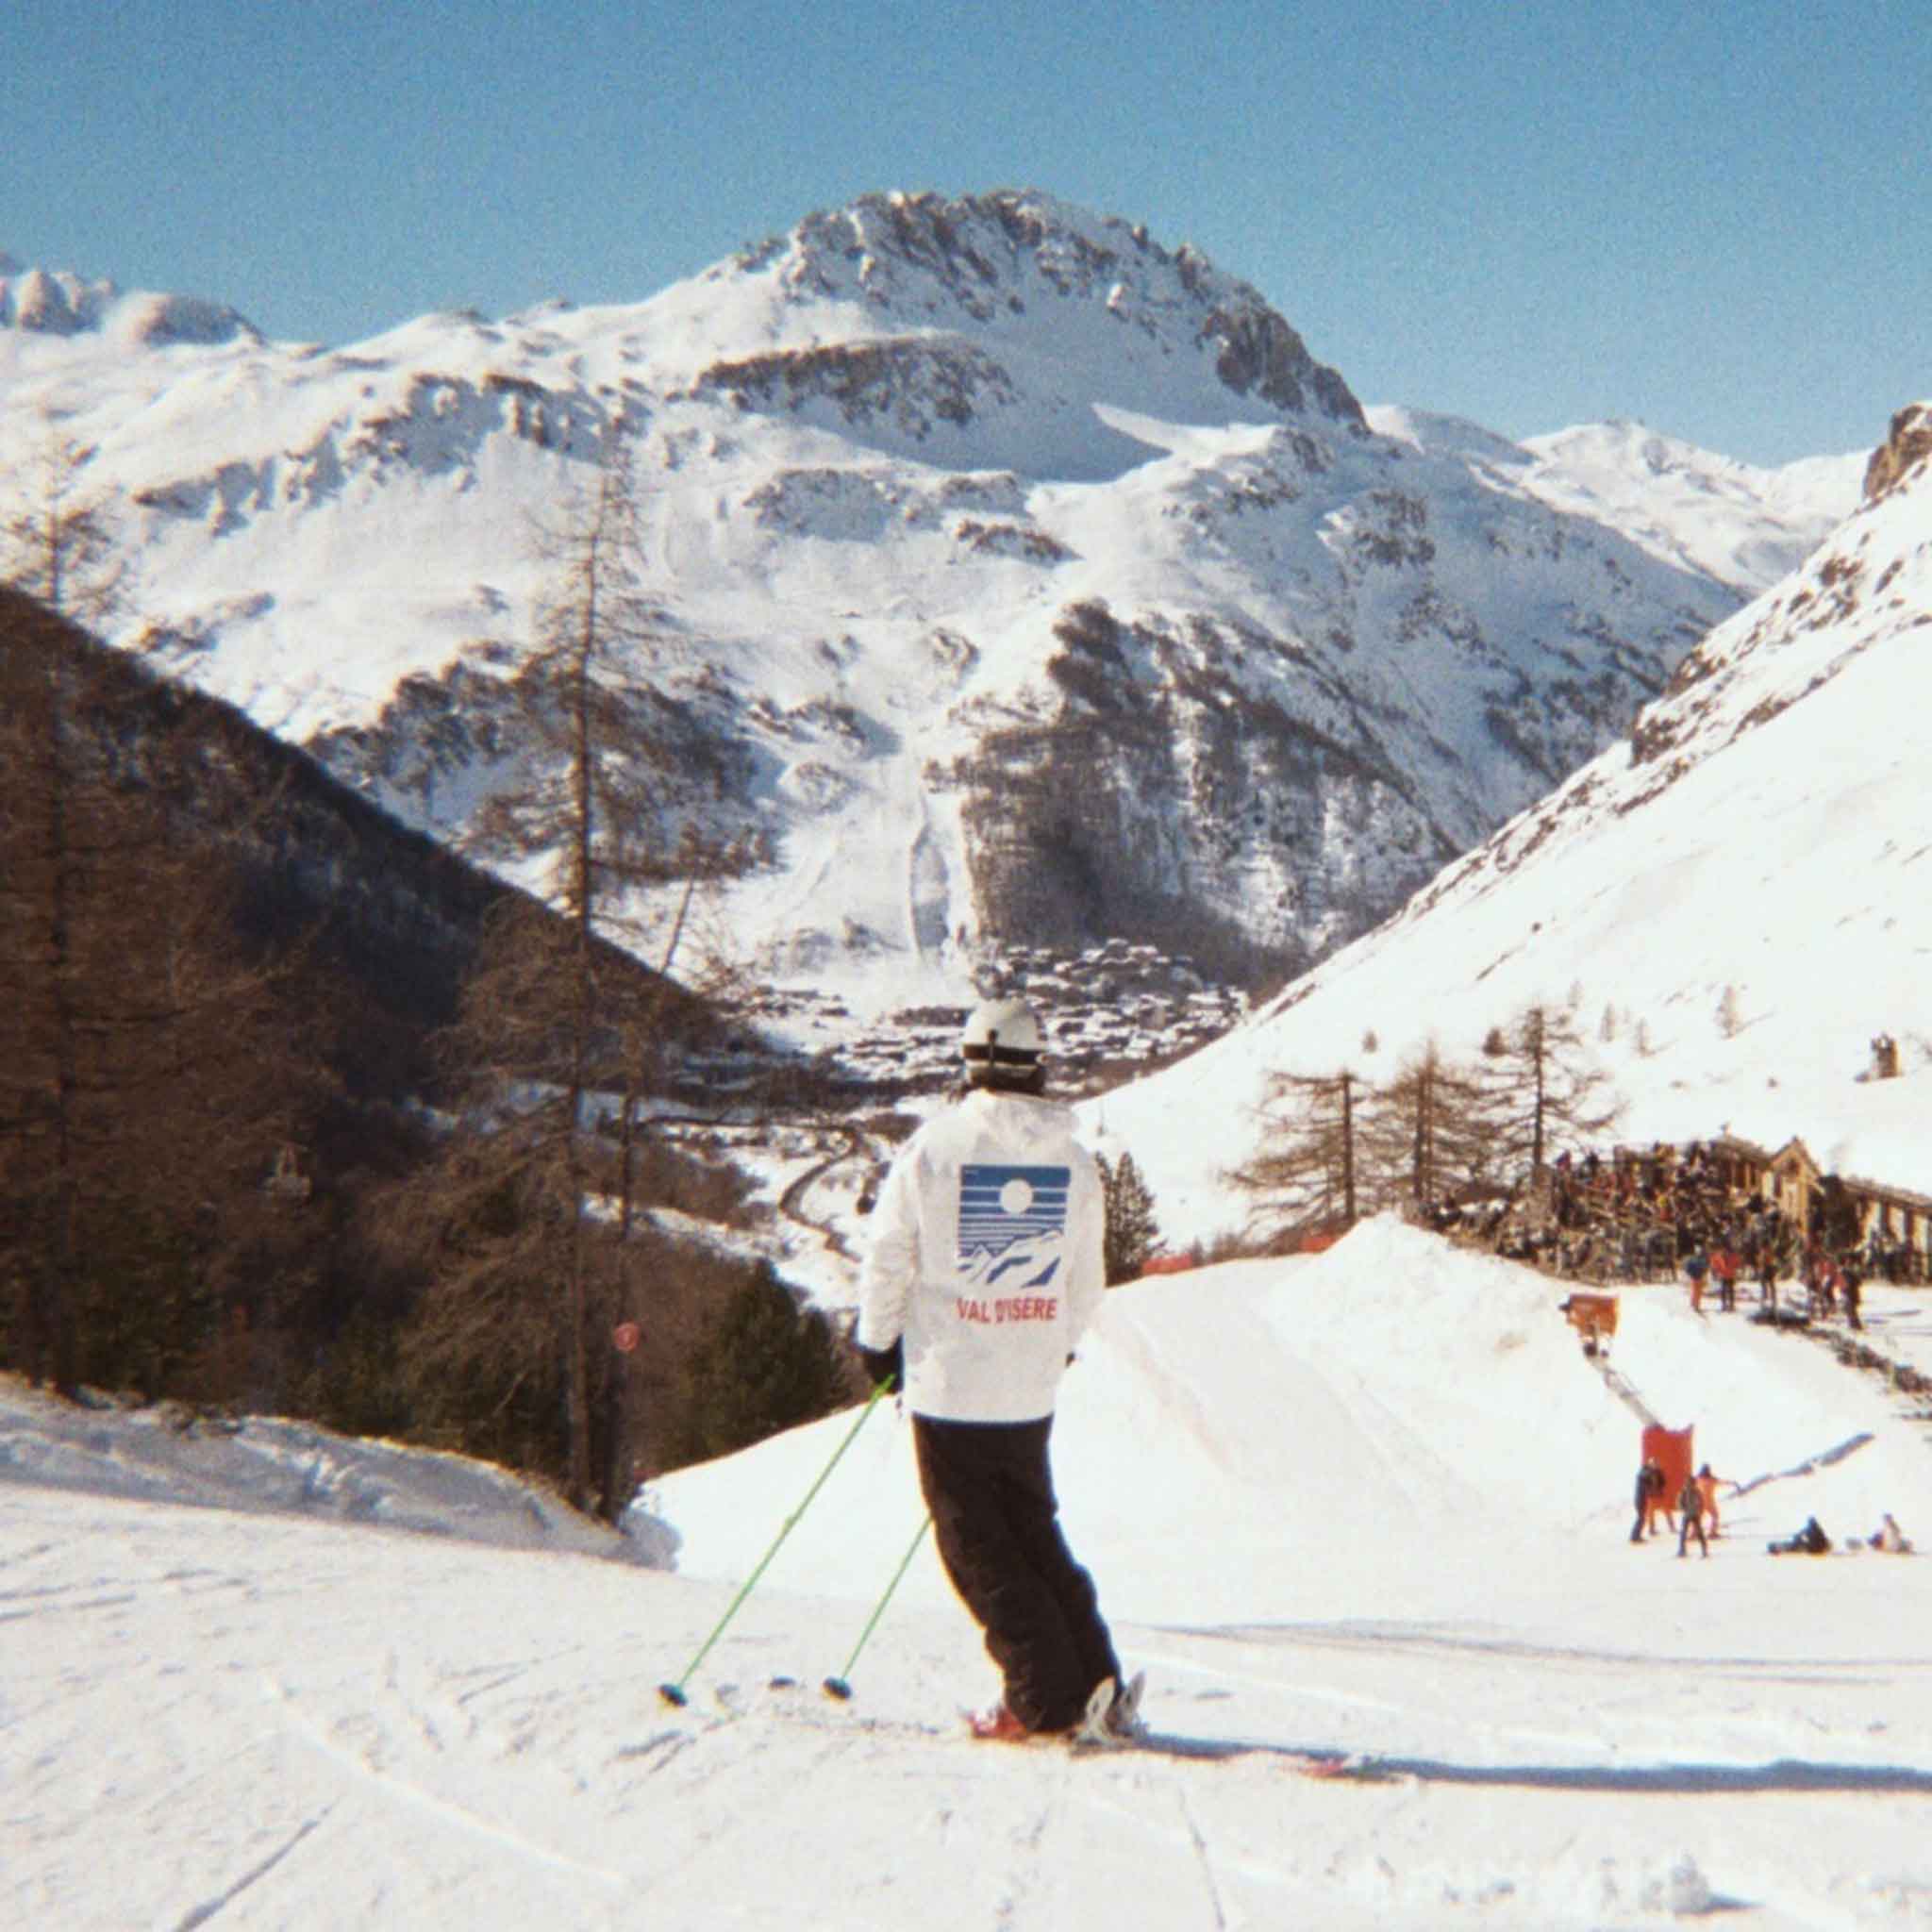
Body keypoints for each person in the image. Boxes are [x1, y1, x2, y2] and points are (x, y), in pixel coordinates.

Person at [855, 997, 1130, 1742]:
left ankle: (1044, 1703)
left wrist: (878, 1345)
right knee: (1033, 1535)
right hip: (1029, 1385)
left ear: (971, 1062)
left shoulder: (934, 1149)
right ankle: (1099, 1679)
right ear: (1036, 1064)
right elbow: (1085, 1277)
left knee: (979, 1550)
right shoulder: (1071, 1160)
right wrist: (1054, 1346)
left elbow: (888, 1257)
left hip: (950, 1385)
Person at [1676, 1469, 1709, 1557]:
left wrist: (1683, 1509)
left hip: (1692, 1514)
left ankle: (1684, 1550)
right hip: (1692, 1514)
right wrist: (1700, 1510)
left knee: (1691, 1532)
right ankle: (1702, 1550)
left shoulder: (1691, 1491)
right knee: (1691, 1532)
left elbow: (1680, 1502)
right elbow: (1680, 1502)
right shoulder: (1690, 1491)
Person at [1693, 1462, 1725, 1538]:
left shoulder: (1697, 1479)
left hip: (1699, 1501)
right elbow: (1722, 1482)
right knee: (1715, 1515)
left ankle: (1693, 1533)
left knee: (1698, 1518)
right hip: (1709, 1501)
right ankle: (1712, 1533)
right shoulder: (1712, 1479)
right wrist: (1733, 1483)